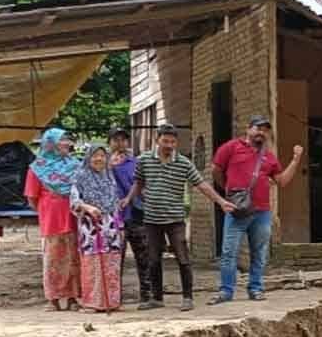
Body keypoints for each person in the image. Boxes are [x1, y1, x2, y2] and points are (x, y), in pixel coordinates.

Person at [122, 124, 234, 312]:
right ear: (157, 140)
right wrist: (129, 198)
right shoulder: (144, 161)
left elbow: (201, 184)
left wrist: (221, 202)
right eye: (165, 141)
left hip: (175, 219)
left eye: (173, 141)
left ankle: (187, 297)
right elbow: (139, 182)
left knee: (183, 258)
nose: (169, 145)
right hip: (151, 219)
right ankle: (157, 298)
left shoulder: (183, 163)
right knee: (153, 259)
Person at [208, 115, 304, 304]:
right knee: (229, 252)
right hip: (237, 210)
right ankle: (226, 291)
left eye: (265, 130)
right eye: (258, 128)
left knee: (259, 252)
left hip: (262, 212)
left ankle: (256, 288)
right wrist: (228, 188)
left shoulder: (269, 156)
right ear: (248, 129)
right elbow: (216, 169)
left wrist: (296, 159)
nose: (261, 133)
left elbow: (282, 181)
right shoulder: (231, 147)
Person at [25, 128, 81, 311]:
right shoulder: (37, 168)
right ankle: (53, 299)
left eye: (67, 140)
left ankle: (74, 297)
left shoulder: (75, 165)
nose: (67, 143)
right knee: (53, 260)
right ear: (51, 143)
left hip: (74, 218)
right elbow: (32, 197)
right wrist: (47, 209)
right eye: (63, 140)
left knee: (74, 258)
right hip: (51, 220)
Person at [70, 143, 124, 312]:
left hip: (110, 226)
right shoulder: (80, 176)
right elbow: (74, 200)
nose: (99, 159)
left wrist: (119, 225)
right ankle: (92, 303)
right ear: (88, 157)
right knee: (92, 262)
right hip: (90, 226)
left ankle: (112, 302)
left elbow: (115, 201)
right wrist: (88, 208)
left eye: (102, 155)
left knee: (111, 262)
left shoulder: (109, 176)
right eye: (95, 155)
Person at [108, 126, 151, 304]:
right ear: (109, 143)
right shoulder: (103, 163)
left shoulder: (136, 162)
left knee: (144, 256)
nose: (120, 143)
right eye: (116, 140)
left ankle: (147, 295)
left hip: (136, 213)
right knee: (116, 258)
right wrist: (110, 166)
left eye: (123, 140)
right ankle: (114, 296)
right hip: (114, 218)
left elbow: (143, 184)